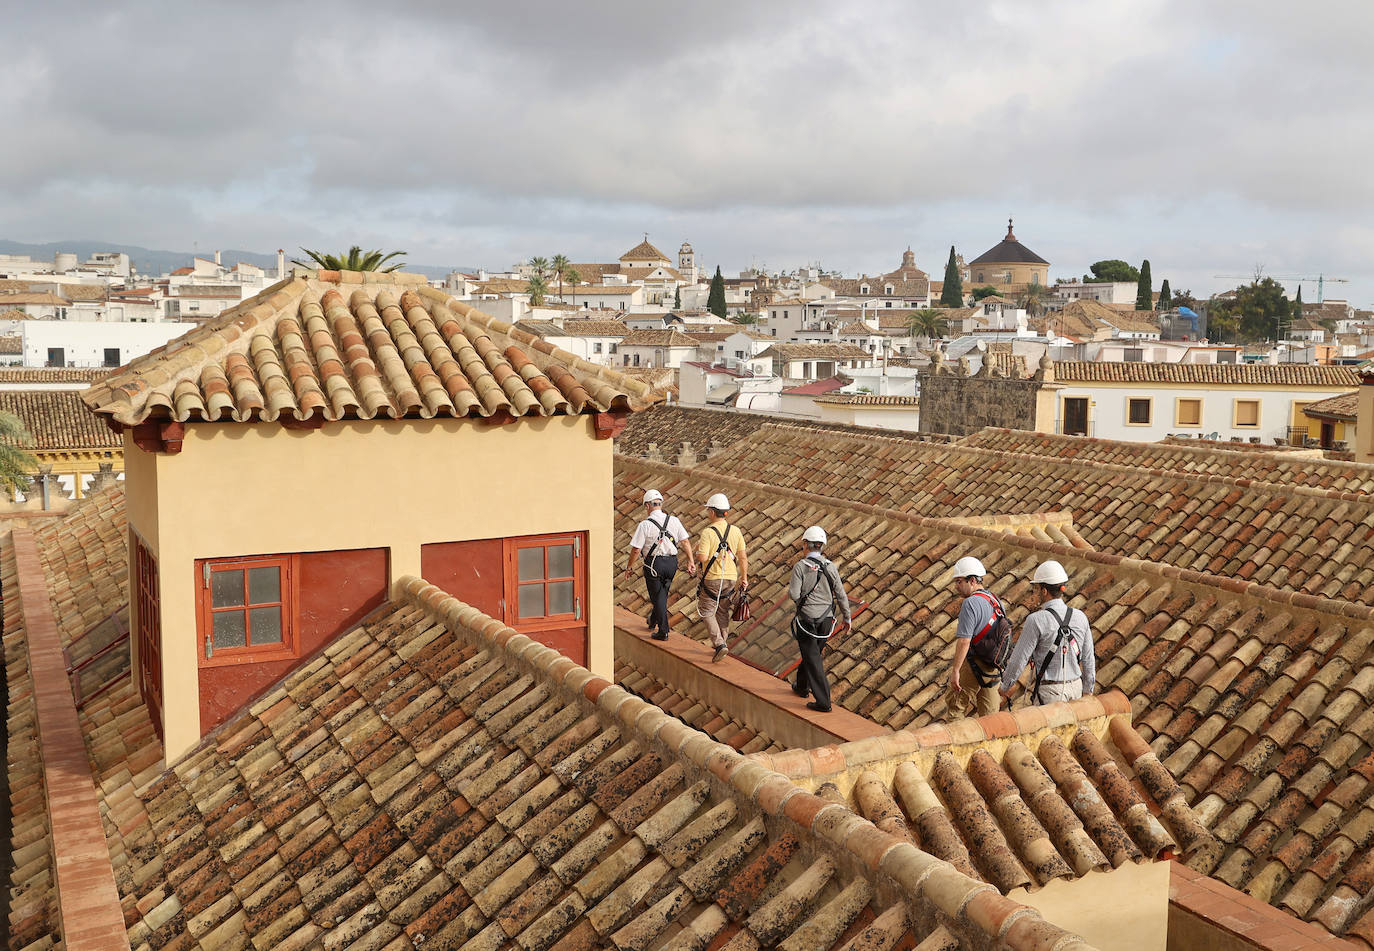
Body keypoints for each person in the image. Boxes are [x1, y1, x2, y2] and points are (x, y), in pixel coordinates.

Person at [999, 560, 1096, 706]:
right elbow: (1088, 658)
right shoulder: (1080, 616)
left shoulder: (1036, 620)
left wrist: (1004, 687)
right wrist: (1088, 690)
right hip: (1076, 688)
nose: (1036, 592)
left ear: (1044, 591)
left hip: (1051, 692)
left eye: (1037, 588)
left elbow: (1019, 660)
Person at [788, 525, 851, 712]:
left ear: (806, 545)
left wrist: (803, 603)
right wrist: (847, 617)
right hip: (826, 622)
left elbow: (793, 594)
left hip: (807, 621)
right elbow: (840, 594)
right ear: (822, 546)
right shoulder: (831, 567)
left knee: (813, 658)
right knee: (812, 653)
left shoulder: (800, 567)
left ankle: (824, 702)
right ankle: (801, 686)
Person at [624, 489, 697, 640]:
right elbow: (685, 542)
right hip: (671, 563)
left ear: (647, 506)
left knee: (657, 597)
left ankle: (663, 631)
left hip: (653, 564)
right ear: (661, 504)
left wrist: (629, 567)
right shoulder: (675, 521)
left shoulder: (644, 525)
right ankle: (653, 620)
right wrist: (691, 560)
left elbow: (636, 550)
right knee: (662, 594)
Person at [946, 555, 1004, 719]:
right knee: (990, 714)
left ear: (972, 580)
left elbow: (964, 641)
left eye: (959, 581)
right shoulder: (995, 600)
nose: (956, 586)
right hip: (993, 665)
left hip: (973, 662)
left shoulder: (970, 603)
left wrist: (956, 670)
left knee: (956, 707)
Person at [696, 492, 747, 663]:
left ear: (712, 512)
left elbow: (702, 558)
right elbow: (743, 557)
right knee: (723, 610)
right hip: (731, 577)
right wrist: (744, 578)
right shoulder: (736, 531)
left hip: (713, 577)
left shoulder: (708, 532)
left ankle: (719, 644)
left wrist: (699, 553)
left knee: (706, 610)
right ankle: (723, 642)